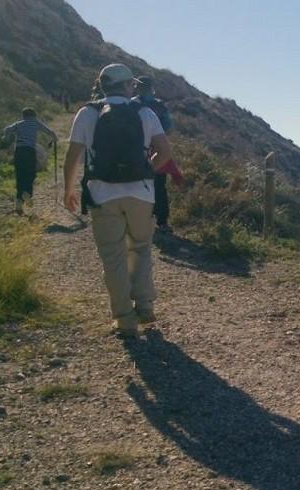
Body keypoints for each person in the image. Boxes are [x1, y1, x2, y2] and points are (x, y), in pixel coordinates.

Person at [63, 63, 175, 338]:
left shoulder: (87, 113)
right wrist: (149, 170)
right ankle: (145, 304)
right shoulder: (144, 112)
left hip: (102, 194)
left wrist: (68, 190)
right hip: (141, 192)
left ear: (101, 85)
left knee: (113, 256)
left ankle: (124, 319)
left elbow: (73, 155)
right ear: (128, 86)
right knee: (140, 247)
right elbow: (166, 152)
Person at [132, 76, 174, 233]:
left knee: (135, 182)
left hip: (135, 150)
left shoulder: (131, 104)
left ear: (137, 87)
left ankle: (140, 217)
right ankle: (161, 221)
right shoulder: (160, 106)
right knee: (159, 185)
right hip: (157, 149)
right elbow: (169, 128)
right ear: (151, 88)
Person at [2, 107, 58, 215]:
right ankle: (27, 193)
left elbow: (7, 129)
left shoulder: (19, 124)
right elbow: (50, 131)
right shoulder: (35, 122)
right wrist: (54, 139)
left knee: (20, 175)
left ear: (24, 116)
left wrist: (5, 137)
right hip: (29, 151)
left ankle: (19, 202)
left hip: (18, 152)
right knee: (31, 174)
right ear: (33, 115)